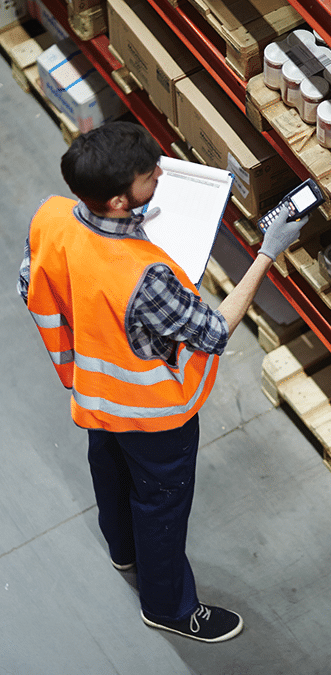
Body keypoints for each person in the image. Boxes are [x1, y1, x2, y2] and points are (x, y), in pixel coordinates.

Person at [17, 121, 308, 643]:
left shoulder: (51, 217)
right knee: (161, 508)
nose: (159, 178)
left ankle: (124, 555)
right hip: (152, 419)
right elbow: (214, 332)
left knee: (109, 475)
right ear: (115, 200)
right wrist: (268, 251)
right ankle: (169, 608)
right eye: (150, 177)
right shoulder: (146, 278)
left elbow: (31, 283)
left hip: (92, 395)